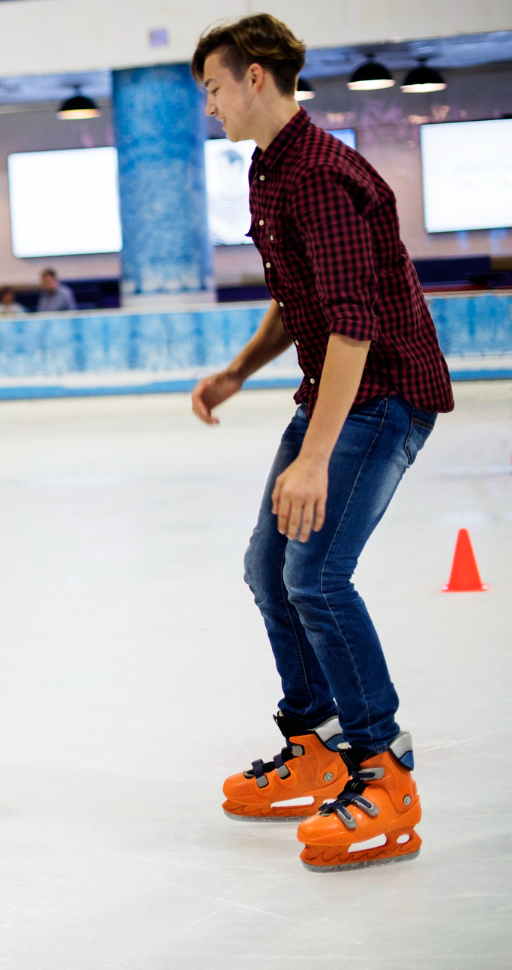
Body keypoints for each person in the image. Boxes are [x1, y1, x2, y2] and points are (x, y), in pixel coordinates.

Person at [189, 15, 453, 872]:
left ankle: (386, 770)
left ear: (255, 77)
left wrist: (311, 456)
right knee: (268, 569)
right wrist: (239, 370)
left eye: (215, 89)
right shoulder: (272, 168)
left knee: (316, 574)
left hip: (385, 397)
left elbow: (353, 328)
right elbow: (299, 297)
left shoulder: (322, 177)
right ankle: (320, 743)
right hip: (336, 390)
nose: (212, 106)